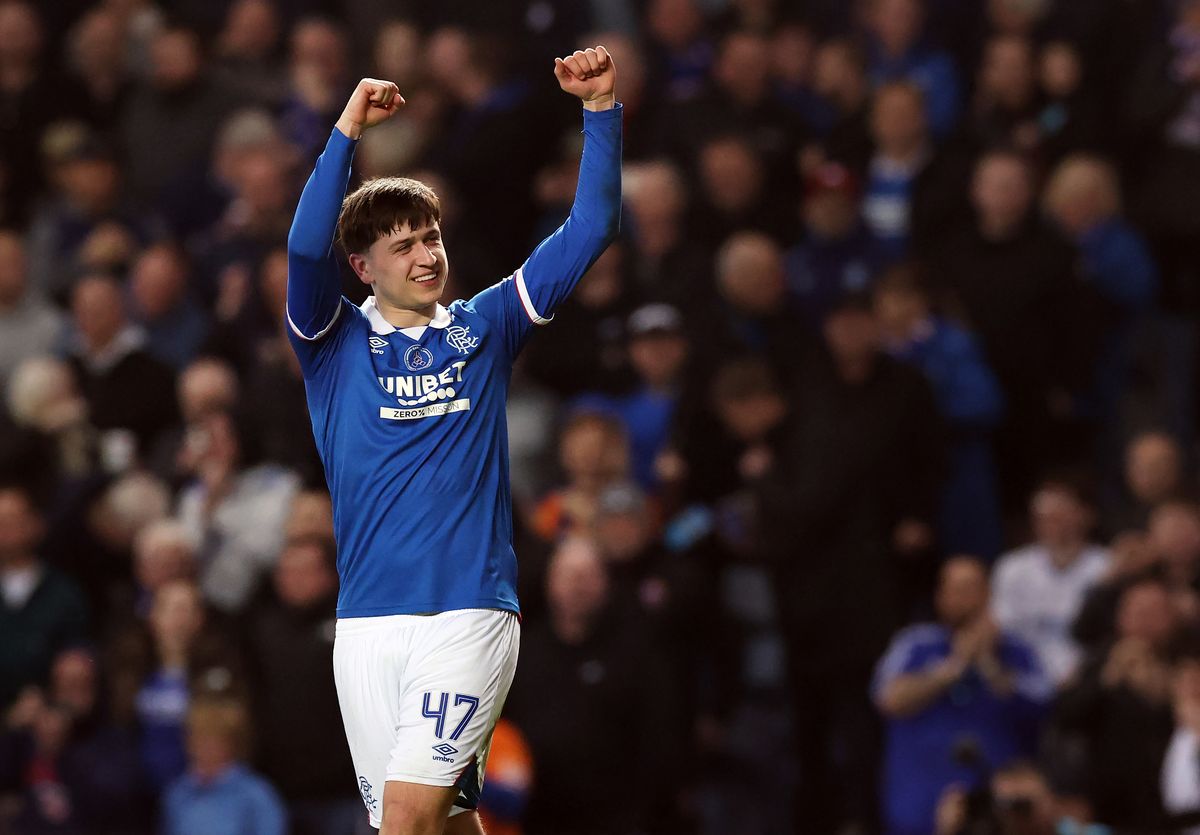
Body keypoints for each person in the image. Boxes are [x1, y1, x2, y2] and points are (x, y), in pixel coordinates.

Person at [285, 46, 620, 834]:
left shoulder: (485, 326)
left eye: (430, 236)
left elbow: (593, 225)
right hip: (367, 626)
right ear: (363, 266)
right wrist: (346, 131)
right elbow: (304, 248)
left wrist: (601, 109)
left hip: (468, 613)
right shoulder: (330, 343)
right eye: (403, 245)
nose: (427, 253)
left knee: (405, 821)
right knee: (438, 822)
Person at [873, 557, 1051, 835]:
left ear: (989, 595)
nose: (965, 599)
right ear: (940, 597)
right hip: (920, 804)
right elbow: (889, 699)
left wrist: (989, 665)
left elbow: (1043, 707)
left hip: (998, 808)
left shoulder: (1017, 651)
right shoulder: (916, 645)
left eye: (973, 588)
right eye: (956, 590)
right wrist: (953, 667)